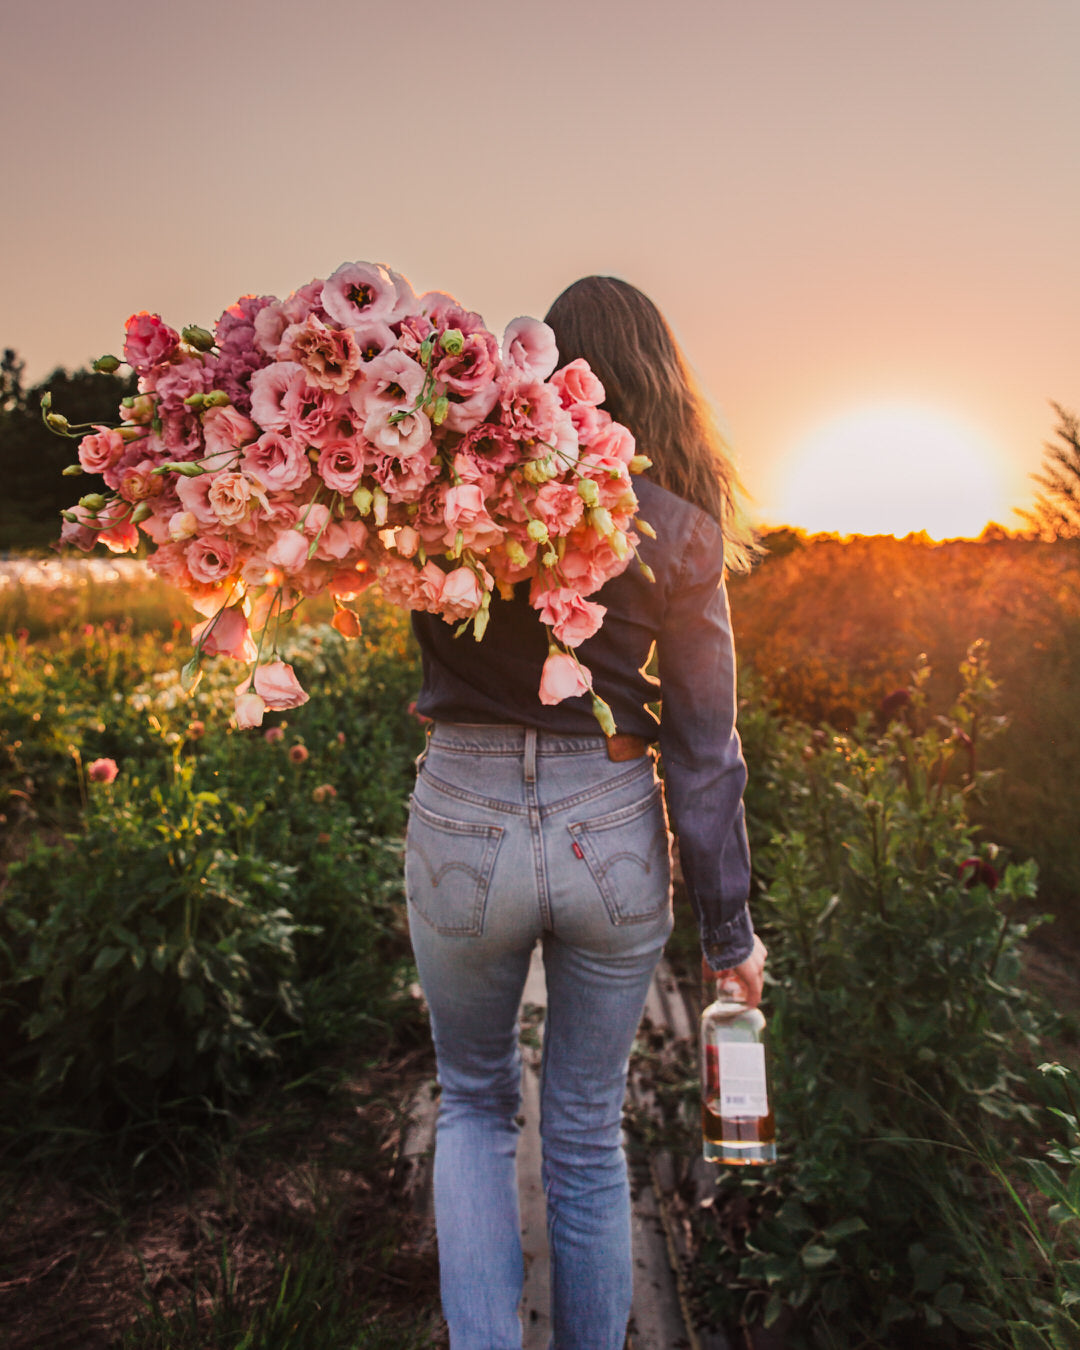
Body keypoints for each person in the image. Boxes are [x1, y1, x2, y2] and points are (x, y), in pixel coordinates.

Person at [406, 275, 766, 1350]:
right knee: (584, 1134)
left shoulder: (456, 494)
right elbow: (706, 752)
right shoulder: (684, 529)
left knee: (472, 1105)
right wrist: (730, 934)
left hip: (462, 806)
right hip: (608, 818)